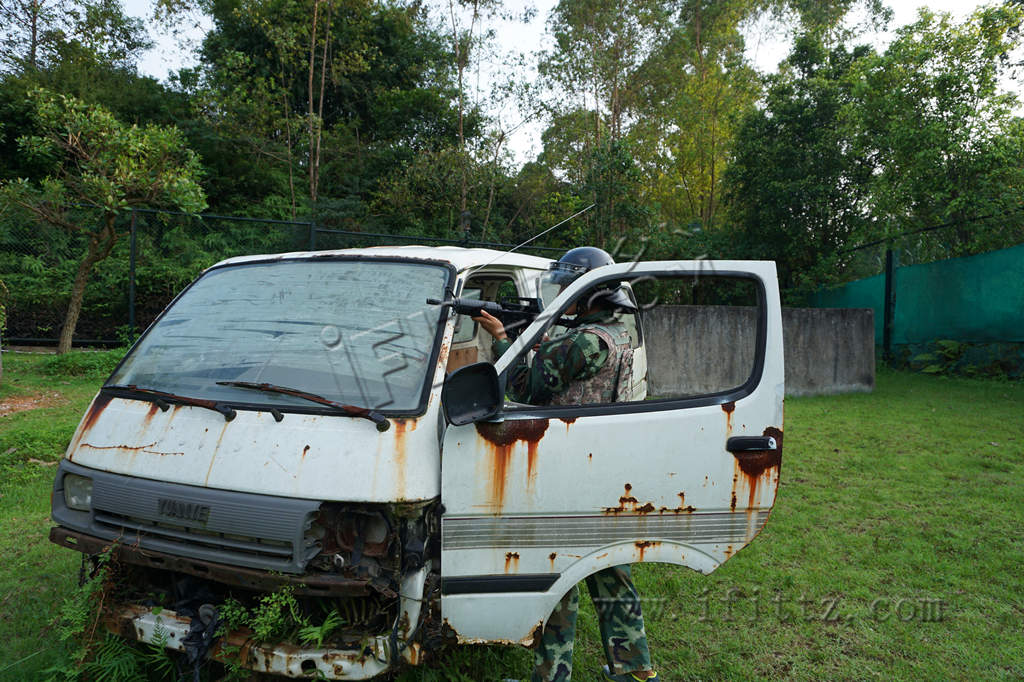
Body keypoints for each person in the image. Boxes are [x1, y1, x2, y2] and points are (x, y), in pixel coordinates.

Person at [474, 246, 659, 682]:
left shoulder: (584, 342)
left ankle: (551, 675)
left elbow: (524, 385)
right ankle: (635, 669)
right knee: (611, 571)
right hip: (600, 467)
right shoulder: (614, 335)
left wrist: (502, 338)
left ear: (593, 293)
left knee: (558, 574)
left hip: (568, 471)